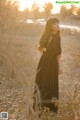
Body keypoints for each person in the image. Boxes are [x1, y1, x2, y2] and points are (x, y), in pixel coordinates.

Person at [33, 18, 62, 113]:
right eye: (54, 24)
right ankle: (50, 107)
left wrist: (46, 52)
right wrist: (60, 67)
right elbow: (58, 54)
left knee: (42, 81)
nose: (57, 25)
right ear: (50, 25)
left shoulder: (46, 35)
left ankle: (40, 105)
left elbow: (40, 48)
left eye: (58, 23)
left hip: (44, 61)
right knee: (50, 82)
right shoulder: (56, 37)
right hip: (52, 62)